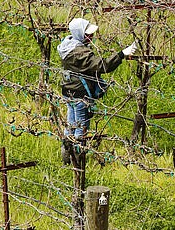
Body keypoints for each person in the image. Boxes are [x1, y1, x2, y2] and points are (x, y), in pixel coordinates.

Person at [57, 17, 139, 165]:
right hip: (81, 93)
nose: (92, 36)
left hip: (68, 90)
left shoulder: (67, 45)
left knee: (70, 123)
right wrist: (122, 54)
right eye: (88, 34)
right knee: (81, 126)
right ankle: (77, 158)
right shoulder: (80, 53)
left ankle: (66, 149)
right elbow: (102, 66)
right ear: (80, 34)